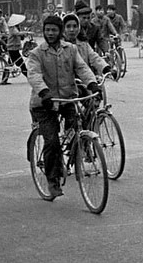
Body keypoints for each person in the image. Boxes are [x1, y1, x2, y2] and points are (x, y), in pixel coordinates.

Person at [26, 14, 98, 200]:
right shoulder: (37, 53)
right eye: (47, 30)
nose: (50, 33)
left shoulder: (71, 49)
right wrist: (44, 93)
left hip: (67, 100)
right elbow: (33, 75)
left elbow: (82, 68)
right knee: (52, 142)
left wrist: (91, 83)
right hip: (44, 103)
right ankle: (52, 179)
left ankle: (73, 155)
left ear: (60, 32)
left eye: (54, 30)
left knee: (75, 128)